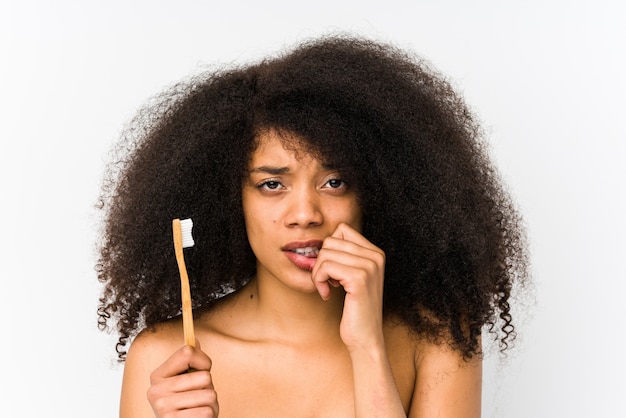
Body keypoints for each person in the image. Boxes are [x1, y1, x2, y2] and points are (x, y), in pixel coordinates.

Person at [96, 35, 529, 417]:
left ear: (380, 192)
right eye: (271, 184)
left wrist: (368, 349)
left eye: (334, 182)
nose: (305, 213)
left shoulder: (438, 340)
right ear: (232, 200)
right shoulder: (167, 358)